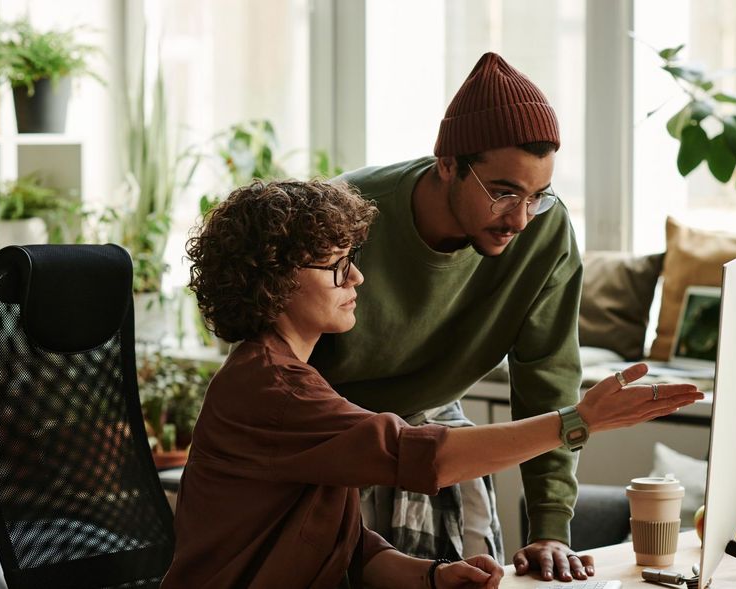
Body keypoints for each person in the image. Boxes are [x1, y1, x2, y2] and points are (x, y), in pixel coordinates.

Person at [162, 179, 701, 588]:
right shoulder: (272, 390)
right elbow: (427, 457)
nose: (356, 278)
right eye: (335, 266)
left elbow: (346, 546)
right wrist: (577, 421)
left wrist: (431, 577)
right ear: (273, 282)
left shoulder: (294, 376)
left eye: (353, 261)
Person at [308, 52, 600, 581]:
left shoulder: (544, 231)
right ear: (448, 165)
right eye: (503, 193)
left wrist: (550, 527)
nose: (519, 219)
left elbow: (549, 377)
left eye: (538, 195)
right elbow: (274, 371)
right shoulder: (346, 214)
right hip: (331, 441)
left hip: (437, 428)